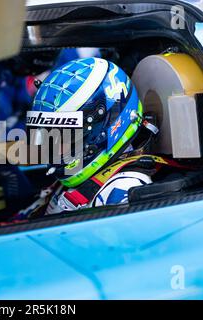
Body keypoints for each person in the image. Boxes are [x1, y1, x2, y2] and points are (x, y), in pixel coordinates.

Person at [13, 57, 174, 220]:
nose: (51, 146)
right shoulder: (75, 180)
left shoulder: (121, 193)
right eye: (47, 134)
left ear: (101, 129)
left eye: (61, 135)